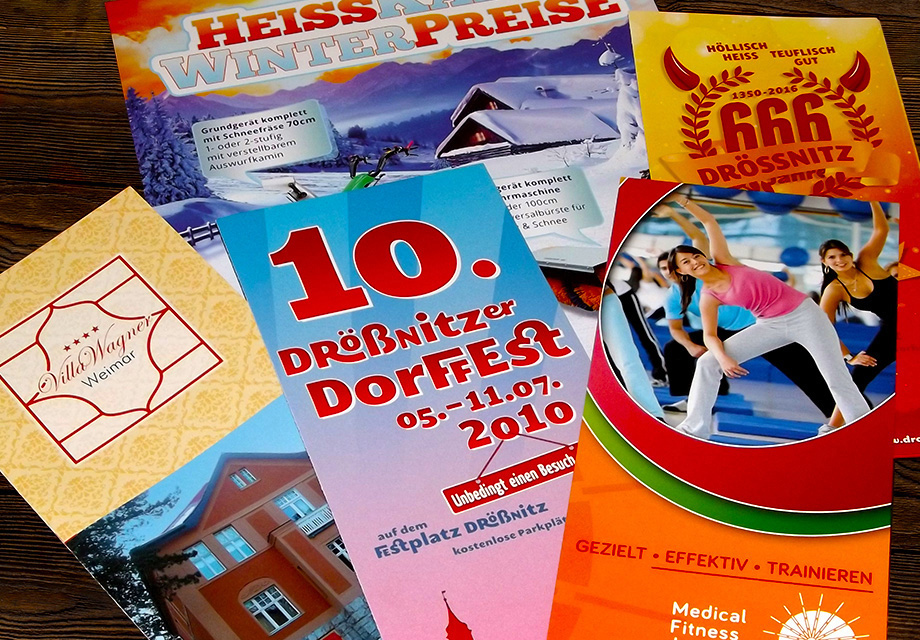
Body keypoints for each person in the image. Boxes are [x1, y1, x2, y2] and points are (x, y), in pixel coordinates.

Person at [666, 194, 869, 438]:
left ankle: (862, 429)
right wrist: (723, 358)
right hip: (769, 325)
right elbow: (709, 335)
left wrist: (682, 201)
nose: (695, 261)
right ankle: (693, 429)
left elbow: (709, 222)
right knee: (707, 362)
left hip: (805, 315)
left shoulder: (725, 260)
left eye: (696, 255)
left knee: (835, 377)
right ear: (681, 271)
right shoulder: (709, 297)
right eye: (686, 262)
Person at [818, 201, 896, 431]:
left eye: (843, 254)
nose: (839, 260)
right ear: (824, 262)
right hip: (895, 331)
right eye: (832, 257)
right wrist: (848, 356)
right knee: (859, 376)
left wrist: (873, 199)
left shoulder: (867, 261)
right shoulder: (834, 290)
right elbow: (824, 328)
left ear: (850, 255)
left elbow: (881, 229)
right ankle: (830, 429)